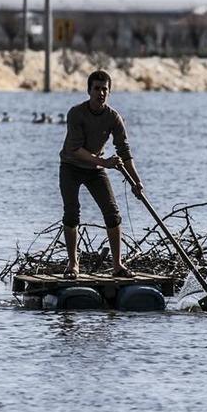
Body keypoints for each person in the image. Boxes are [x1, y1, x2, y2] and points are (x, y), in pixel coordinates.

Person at [58, 69, 143, 278]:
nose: (101, 93)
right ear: (89, 91)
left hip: (95, 170)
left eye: (105, 89)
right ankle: (72, 265)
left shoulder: (114, 118)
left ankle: (118, 266)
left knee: (113, 215)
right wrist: (104, 162)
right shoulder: (76, 113)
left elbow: (125, 152)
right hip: (71, 167)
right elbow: (75, 150)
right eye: (97, 89)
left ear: (109, 92)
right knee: (71, 214)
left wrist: (136, 182)